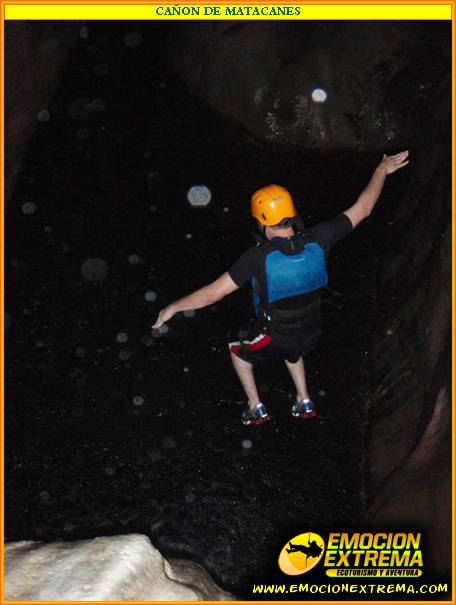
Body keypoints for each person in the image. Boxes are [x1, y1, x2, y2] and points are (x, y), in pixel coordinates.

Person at [152, 151, 409, 425]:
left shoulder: (256, 258)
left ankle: (256, 407)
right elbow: (364, 208)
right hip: (311, 332)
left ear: (262, 223)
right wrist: (381, 169)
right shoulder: (319, 238)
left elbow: (213, 293)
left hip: (276, 336)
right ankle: (304, 399)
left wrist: (173, 307)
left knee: (236, 346)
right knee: (293, 344)